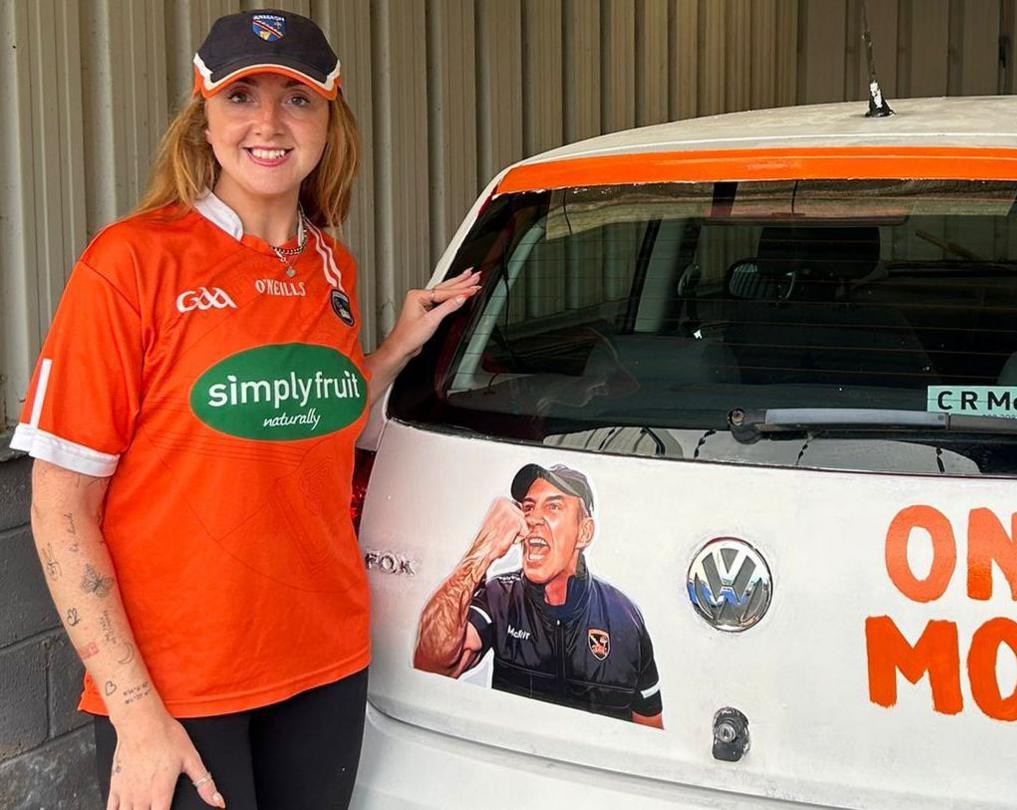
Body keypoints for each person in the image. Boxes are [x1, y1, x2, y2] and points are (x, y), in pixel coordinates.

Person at [12, 10, 479, 810]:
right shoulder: (130, 262)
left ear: (331, 119)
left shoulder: (332, 263)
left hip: (325, 659)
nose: (268, 123)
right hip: (181, 684)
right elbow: (59, 510)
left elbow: (304, 418)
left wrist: (395, 349)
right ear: (204, 118)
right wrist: (136, 713)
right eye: (241, 97)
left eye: (296, 99)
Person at [413, 464, 664, 728]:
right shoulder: (500, 597)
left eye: (553, 507)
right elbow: (430, 663)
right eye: (528, 508)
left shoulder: (624, 617)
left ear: (584, 532)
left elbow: (650, 728)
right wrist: (481, 552)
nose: (531, 519)